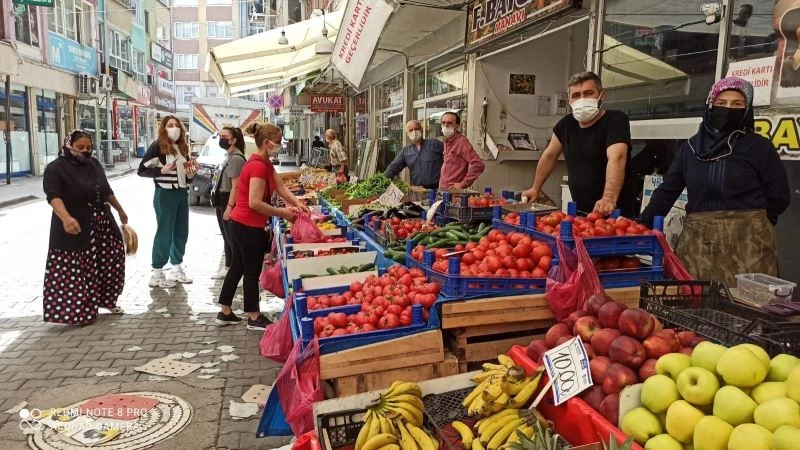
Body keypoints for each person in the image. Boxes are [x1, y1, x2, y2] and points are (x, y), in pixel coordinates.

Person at [639, 77, 790, 286]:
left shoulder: (760, 148)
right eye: (721, 103)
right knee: (694, 305)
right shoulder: (690, 149)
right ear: (710, 105)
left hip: (749, 247)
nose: (728, 109)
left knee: (747, 309)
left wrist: (755, 224)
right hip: (698, 246)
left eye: (737, 104)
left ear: (747, 110)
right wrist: (639, 227)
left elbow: (779, 196)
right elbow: (666, 192)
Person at [216, 122, 310, 330]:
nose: (280, 145)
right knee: (251, 271)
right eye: (277, 142)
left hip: (240, 224)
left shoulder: (264, 162)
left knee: (238, 267)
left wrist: (296, 203)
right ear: (266, 143)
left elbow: (280, 186)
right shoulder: (257, 166)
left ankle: (225, 311)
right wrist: (284, 213)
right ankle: (254, 316)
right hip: (247, 225)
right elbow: (255, 203)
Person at [42, 130, 128, 325]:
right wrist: (65, 218)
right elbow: (53, 196)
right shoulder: (55, 168)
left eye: (88, 148)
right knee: (79, 268)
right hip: (75, 225)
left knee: (111, 259)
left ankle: (106, 300)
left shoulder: (94, 164)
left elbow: (106, 190)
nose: (85, 151)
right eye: (80, 147)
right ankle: (79, 311)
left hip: (101, 222)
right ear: (68, 145)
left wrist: (120, 210)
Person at [522, 71, 636, 217]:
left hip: (615, 212)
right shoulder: (566, 124)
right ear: (569, 100)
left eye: (588, 93)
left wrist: (608, 197)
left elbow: (617, 157)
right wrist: (535, 188)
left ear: (602, 96)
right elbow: (549, 156)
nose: (582, 99)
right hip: (581, 212)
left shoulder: (615, 120)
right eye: (576, 95)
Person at [138, 115, 197, 288]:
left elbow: (186, 175)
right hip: (165, 193)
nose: (174, 128)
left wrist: (191, 173)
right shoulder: (157, 146)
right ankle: (157, 272)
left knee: (181, 231)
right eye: (170, 125)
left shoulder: (182, 147)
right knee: (164, 232)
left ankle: (176, 267)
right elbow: (142, 170)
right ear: (164, 128)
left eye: (177, 125)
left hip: (181, 192)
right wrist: (161, 170)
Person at [211, 126, 247, 279]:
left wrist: (230, 207)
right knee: (226, 236)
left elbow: (236, 186)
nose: (221, 138)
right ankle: (228, 268)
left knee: (233, 238)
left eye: (224, 136)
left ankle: (237, 272)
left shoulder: (236, 158)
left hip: (229, 200)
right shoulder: (228, 156)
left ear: (233, 140)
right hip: (221, 199)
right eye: (220, 135)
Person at [384, 120, 444, 189]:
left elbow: (450, 161)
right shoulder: (406, 152)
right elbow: (393, 167)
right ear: (407, 134)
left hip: (437, 188)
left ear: (421, 130)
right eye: (411, 130)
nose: (414, 132)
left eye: (416, 129)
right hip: (418, 190)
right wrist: (383, 181)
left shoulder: (435, 144)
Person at [438, 112, 485, 189]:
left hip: (454, 193)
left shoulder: (462, 142)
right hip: (443, 190)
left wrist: (463, 183)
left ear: (457, 126)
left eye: (449, 123)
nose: (445, 126)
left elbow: (479, 165)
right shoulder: (447, 141)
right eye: (443, 123)